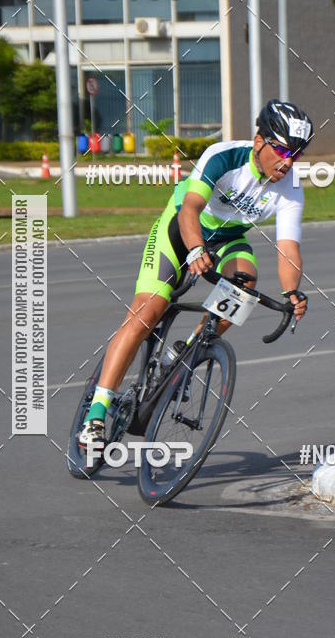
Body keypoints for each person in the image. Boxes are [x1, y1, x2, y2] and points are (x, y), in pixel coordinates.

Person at [77, 99, 314, 458]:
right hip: (182, 227)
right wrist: (193, 250)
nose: (287, 162)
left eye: (295, 155)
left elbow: (287, 249)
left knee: (245, 283)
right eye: (282, 150)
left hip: (229, 238)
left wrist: (292, 290)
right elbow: (190, 209)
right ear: (259, 141)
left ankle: (186, 350)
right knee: (147, 312)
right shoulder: (224, 156)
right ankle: (96, 412)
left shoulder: (290, 188)